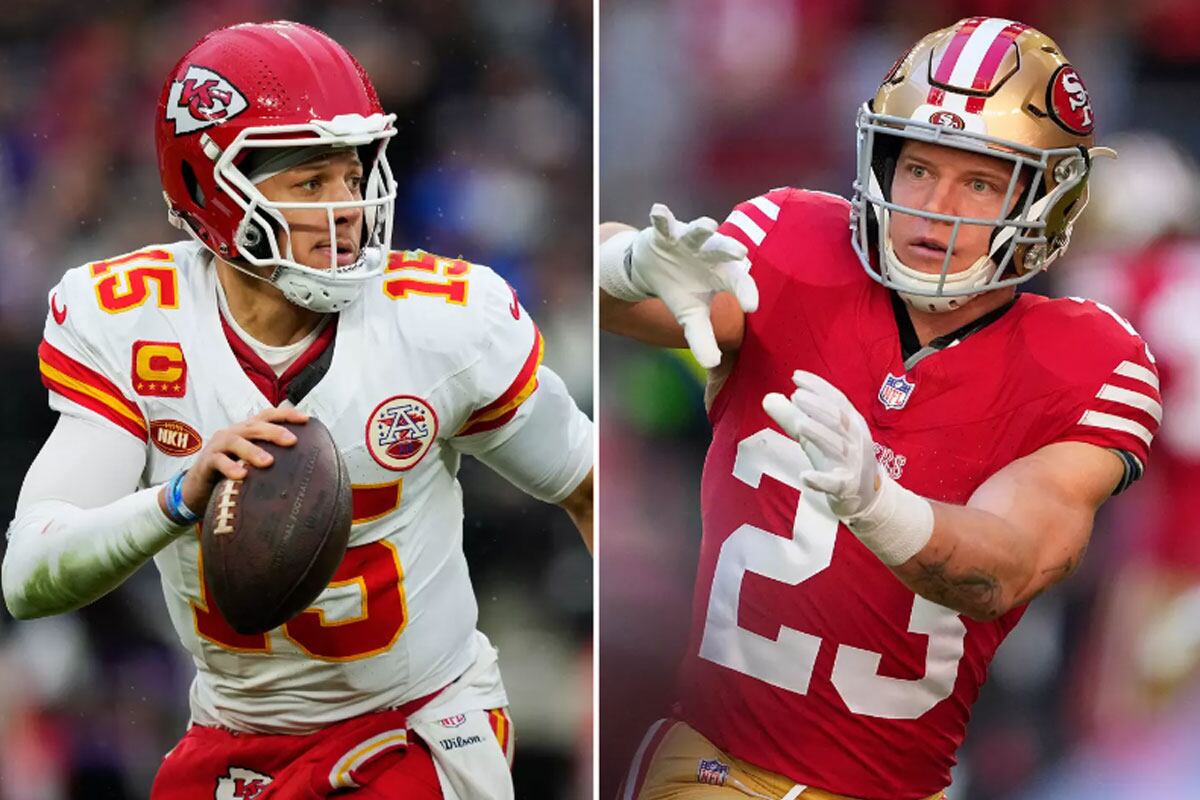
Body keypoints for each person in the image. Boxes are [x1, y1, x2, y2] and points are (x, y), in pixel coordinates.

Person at [1, 20, 593, 800]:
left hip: (416, 729)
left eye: (352, 176)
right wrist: (178, 499)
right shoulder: (130, 320)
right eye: (311, 184)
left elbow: (587, 484)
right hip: (232, 731)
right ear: (212, 192)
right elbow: (29, 576)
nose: (347, 208)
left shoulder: (440, 323)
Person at [599, 17, 1158, 800]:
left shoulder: (1089, 360)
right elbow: (659, 296)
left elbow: (1008, 562)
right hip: (715, 763)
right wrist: (624, 264)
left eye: (980, 182)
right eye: (919, 167)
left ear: (1046, 200)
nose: (936, 207)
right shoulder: (792, 243)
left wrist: (877, 506)